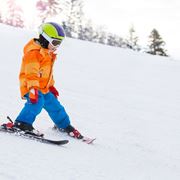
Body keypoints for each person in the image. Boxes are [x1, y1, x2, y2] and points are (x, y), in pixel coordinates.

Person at [7, 22, 83, 139]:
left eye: (59, 43)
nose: (57, 46)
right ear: (45, 39)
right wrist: (33, 89)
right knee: (36, 103)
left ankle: (63, 125)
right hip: (30, 86)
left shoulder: (48, 53)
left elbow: (47, 74)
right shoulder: (34, 54)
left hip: (43, 87)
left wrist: (51, 86)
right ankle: (22, 123)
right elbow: (31, 74)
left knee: (54, 105)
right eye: (55, 42)